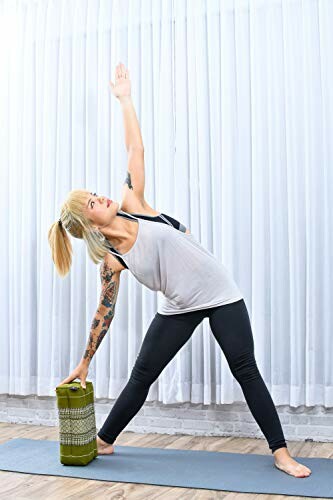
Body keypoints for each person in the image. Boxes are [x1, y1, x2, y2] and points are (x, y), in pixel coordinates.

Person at [49, 64, 311, 478]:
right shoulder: (112, 261)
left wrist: (125, 99)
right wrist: (84, 363)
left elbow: (136, 150)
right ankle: (104, 439)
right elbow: (104, 314)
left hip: (222, 294)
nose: (100, 197)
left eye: (95, 194)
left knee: (245, 370)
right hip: (179, 306)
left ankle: (280, 452)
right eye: (92, 203)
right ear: (90, 225)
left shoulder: (134, 203)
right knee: (143, 374)